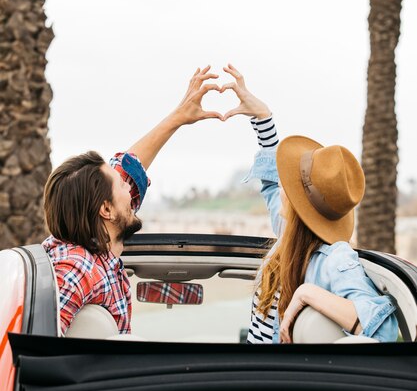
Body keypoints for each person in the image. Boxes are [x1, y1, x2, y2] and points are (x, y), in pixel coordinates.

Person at [220, 64, 399, 344]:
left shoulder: (336, 258)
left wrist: (307, 294)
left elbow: (384, 331)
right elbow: (269, 182)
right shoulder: (289, 233)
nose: (283, 183)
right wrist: (262, 117)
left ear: (298, 203)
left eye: (290, 183)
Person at [43, 66, 223, 335]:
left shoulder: (97, 248)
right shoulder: (77, 267)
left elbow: (129, 167)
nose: (131, 189)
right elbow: (40, 341)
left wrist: (178, 117)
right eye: (121, 185)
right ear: (105, 209)